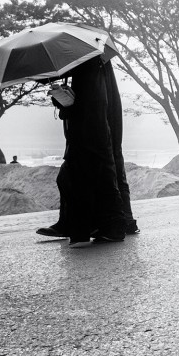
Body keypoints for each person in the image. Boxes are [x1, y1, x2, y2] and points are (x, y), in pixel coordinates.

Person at [36, 56, 139, 246]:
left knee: (78, 176)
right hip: (100, 131)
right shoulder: (95, 63)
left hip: (92, 132)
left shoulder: (88, 67)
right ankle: (115, 223)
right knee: (105, 172)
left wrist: (64, 103)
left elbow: (88, 106)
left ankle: (104, 226)